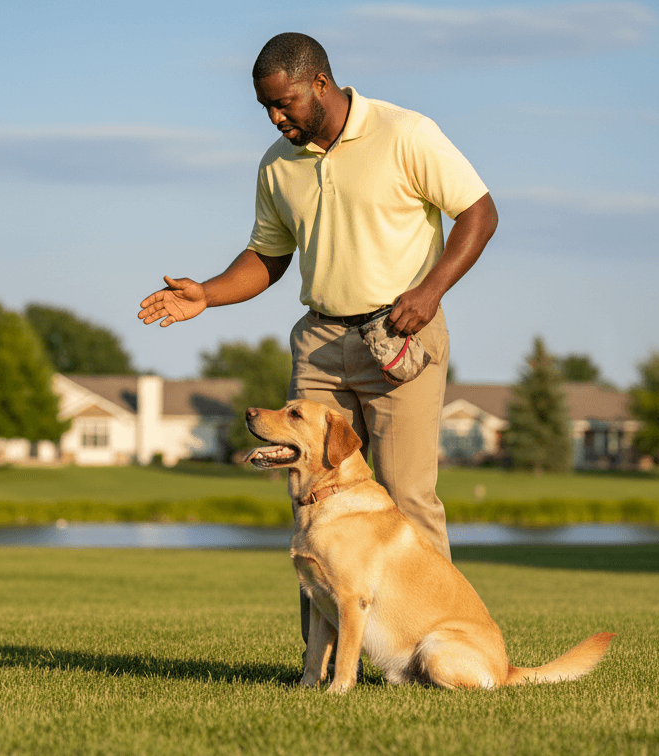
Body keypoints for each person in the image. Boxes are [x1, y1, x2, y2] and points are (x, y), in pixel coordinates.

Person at [137, 32, 497, 641]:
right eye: (265, 108)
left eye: (285, 104)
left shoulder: (406, 133)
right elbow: (267, 256)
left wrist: (429, 292)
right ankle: (322, 665)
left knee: (407, 499)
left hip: (400, 337)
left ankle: (431, 648)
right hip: (321, 344)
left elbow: (479, 213)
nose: (276, 118)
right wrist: (208, 292)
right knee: (312, 500)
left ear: (320, 85)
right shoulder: (278, 163)